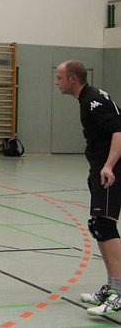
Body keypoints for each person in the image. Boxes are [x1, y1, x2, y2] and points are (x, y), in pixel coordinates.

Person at [56, 60, 121, 317]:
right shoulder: (88, 99)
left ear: (73, 79)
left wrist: (108, 166)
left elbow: (119, 131)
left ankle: (119, 293)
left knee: (105, 225)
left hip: (111, 170)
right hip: (99, 167)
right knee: (98, 225)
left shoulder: (93, 101)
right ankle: (113, 286)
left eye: (59, 77)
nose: (56, 82)